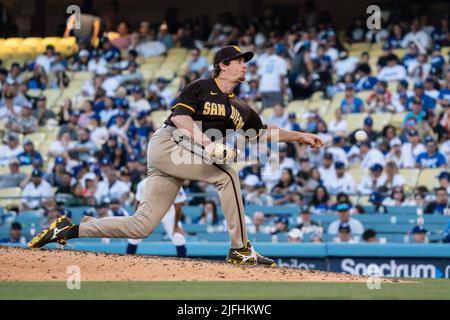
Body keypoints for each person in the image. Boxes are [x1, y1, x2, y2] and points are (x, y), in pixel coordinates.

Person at [28, 45, 323, 267]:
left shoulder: (242, 108)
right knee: (227, 174)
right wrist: (208, 144)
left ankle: (71, 228)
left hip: (180, 159)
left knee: (140, 226)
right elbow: (181, 119)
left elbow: (262, 131)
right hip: (169, 143)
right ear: (222, 65)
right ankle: (240, 249)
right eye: (239, 61)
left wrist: (300, 136)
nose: (245, 66)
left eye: (245, 62)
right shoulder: (201, 87)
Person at [127, 177, 188, 257]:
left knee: (178, 236)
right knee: (134, 235)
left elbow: (178, 205)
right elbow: (138, 202)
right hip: (148, 210)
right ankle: (128, 262)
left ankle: (183, 264)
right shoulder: (143, 184)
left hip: (167, 210)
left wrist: (176, 226)